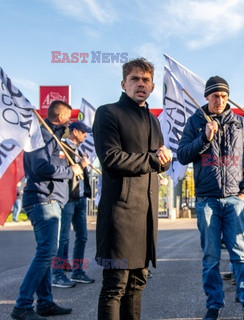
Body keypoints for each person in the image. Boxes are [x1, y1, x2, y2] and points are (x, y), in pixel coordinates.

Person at [177, 77, 244, 320]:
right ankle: (214, 306)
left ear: (228, 97)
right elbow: (182, 155)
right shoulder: (196, 121)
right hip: (207, 200)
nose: (219, 100)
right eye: (214, 96)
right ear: (207, 97)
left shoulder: (241, 123)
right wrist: (205, 138)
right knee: (210, 257)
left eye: (223, 96)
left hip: (234, 199)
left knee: (240, 255)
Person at [93, 58, 173, 320]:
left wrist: (164, 160)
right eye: (135, 79)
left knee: (137, 284)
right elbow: (111, 159)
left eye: (146, 80)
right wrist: (153, 159)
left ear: (152, 87)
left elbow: (156, 163)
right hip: (120, 216)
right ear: (123, 83)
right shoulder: (108, 112)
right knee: (115, 287)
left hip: (147, 218)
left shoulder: (154, 120)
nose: (141, 84)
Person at [11, 100, 83, 320]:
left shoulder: (52, 137)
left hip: (49, 200)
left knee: (45, 252)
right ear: (60, 117)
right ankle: (22, 306)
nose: (71, 122)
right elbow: (42, 167)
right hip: (44, 200)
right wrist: (71, 171)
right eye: (69, 117)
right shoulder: (42, 136)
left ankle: (45, 303)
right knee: (46, 253)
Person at [51, 121, 94, 288]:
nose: (85, 135)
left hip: (80, 198)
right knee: (62, 239)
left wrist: (85, 167)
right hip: (67, 198)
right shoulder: (61, 148)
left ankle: (77, 271)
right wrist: (79, 166)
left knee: (82, 236)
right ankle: (57, 274)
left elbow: (81, 171)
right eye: (83, 132)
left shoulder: (80, 150)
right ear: (75, 132)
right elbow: (60, 170)